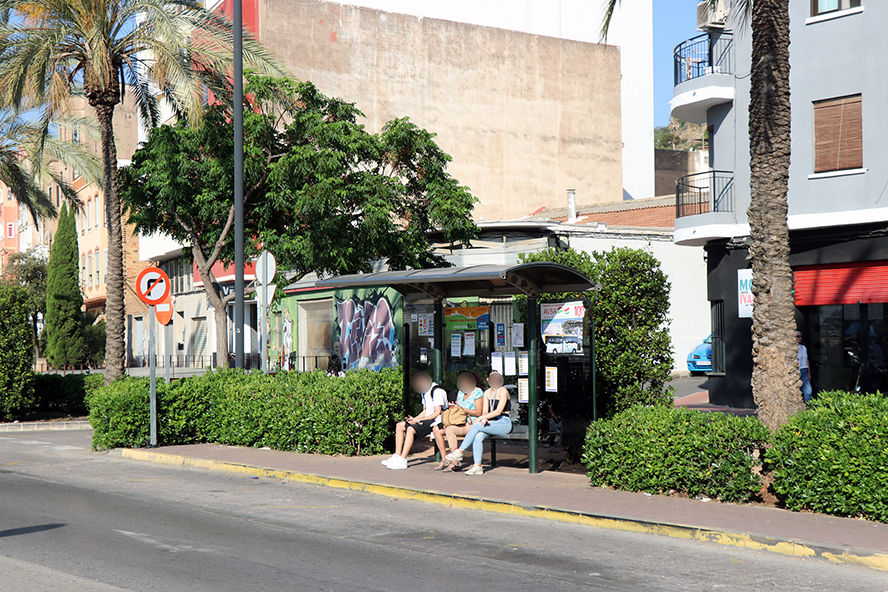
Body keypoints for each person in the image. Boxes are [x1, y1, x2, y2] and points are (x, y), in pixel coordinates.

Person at [444, 371, 512, 476]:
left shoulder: (503, 390)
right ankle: (478, 466)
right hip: (491, 421)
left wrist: (481, 418)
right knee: (478, 436)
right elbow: (485, 411)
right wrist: (484, 418)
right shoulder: (486, 393)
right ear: (488, 380)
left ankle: (460, 452)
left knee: (476, 425)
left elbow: (498, 411)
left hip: (503, 421)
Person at [381, 371, 447, 470]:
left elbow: (437, 412)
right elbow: (425, 410)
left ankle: (403, 460)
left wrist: (420, 420)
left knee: (411, 429)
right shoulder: (424, 391)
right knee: (400, 425)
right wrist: (415, 419)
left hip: (435, 420)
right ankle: (397, 456)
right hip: (426, 418)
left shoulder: (437, 391)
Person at [431, 371, 484, 471]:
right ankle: (445, 459)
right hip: (459, 421)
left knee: (450, 430)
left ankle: (455, 461)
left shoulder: (478, 392)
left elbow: (479, 412)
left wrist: (463, 409)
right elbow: (458, 408)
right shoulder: (460, 392)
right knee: (436, 429)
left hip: (471, 422)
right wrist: (453, 407)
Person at [797, 331, 813, 403]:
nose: (800, 338)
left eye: (801, 336)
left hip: (804, 370)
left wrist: (809, 373)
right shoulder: (792, 349)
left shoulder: (803, 348)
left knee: (808, 391)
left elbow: (806, 360)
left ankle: (808, 408)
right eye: (798, 336)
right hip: (797, 371)